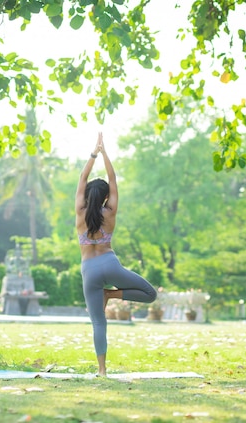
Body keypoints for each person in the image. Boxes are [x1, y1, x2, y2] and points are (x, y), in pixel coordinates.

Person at [75, 132, 157, 377]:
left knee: (98, 322)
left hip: (89, 270)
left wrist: (93, 153)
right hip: (110, 264)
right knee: (150, 294)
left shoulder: (80, 211)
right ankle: (111, 294)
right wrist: (105, 152)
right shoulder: (110, 211)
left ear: (88, 195)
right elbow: (112, 178)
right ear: (106, 196)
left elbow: (82, 177)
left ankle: (102, 370)